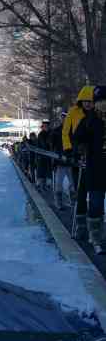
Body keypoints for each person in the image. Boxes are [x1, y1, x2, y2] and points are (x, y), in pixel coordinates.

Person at [73, 92, 106, 251]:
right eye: (100, 101)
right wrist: (80, 147)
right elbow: (77, 138)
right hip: (96, 167)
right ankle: (95, 236)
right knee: (96, 202)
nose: (103, 104)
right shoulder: (89, 121)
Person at [63, 86, 95, 238]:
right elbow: (66, 132)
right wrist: (68, 149)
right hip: (78, 155)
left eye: (91, 101)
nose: (88, 104)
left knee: (95, 193)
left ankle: (94, 224)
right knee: (81, 191)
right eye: (85, 101)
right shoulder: (73, 112)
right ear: (81, 100)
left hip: (94, 157)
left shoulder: (97, 114)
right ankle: (81, 225)